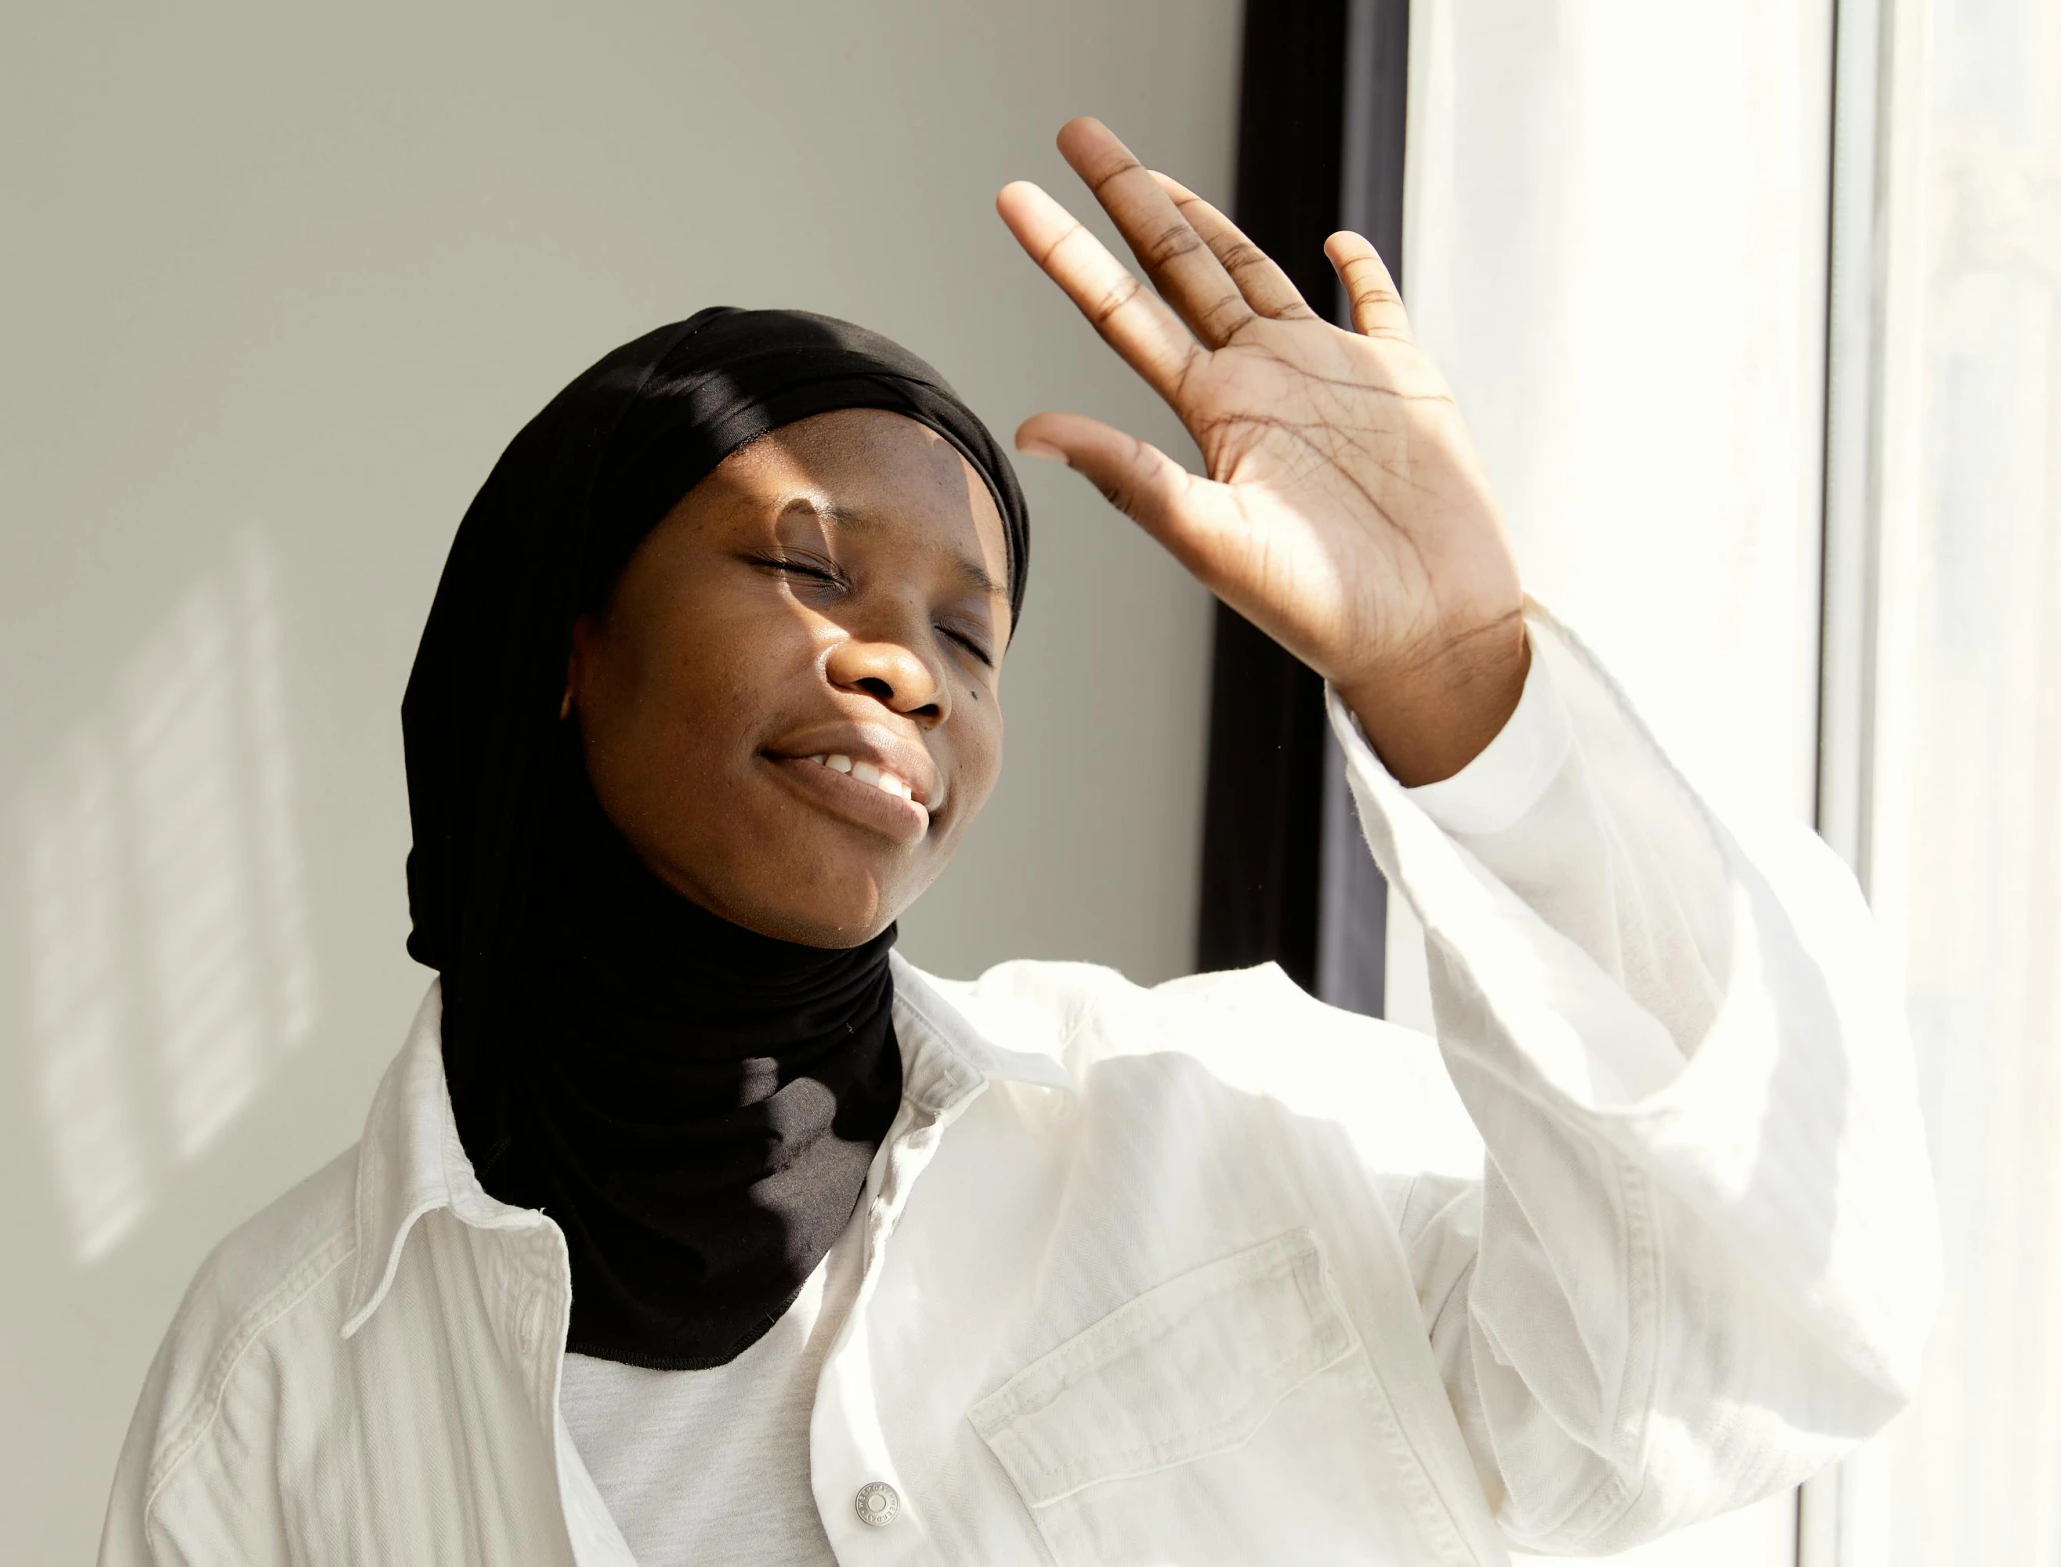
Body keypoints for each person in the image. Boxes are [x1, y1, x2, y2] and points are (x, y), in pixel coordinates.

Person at [96, 118, 1936, 1565]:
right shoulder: (272, 1391)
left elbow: (1754, 1340)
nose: (904, 665)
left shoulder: (1221, 1118)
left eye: (970, 641)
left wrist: (1462, 679)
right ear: (569, 642)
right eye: (807, 566)